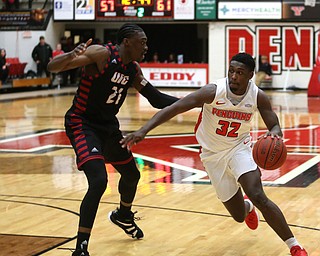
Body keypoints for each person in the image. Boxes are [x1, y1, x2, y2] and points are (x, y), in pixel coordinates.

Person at [120, 52, 308, 256]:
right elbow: (175, 108)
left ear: (250, 75)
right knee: (237, 215)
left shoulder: (257, 96)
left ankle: (295, 246)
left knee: (258, 196)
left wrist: (274, 135)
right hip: (211, 154)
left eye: (240, 72)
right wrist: (143, 130)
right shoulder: (213, 91)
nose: (234, 76)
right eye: (231, 71)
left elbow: (274, 125)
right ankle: (247, 208)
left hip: (239, 148)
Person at [47, 23, 179, 256]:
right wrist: (71, 54)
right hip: (82, 122)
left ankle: (123, 215)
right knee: (98, 181)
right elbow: (53, 67)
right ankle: (81, 248)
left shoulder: (133, 69)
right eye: (143, 41)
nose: (146, 46)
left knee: (132, 175)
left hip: (108, 127)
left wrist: (192, 101)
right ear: (127, 41)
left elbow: (156, 98)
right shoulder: (102, 54)